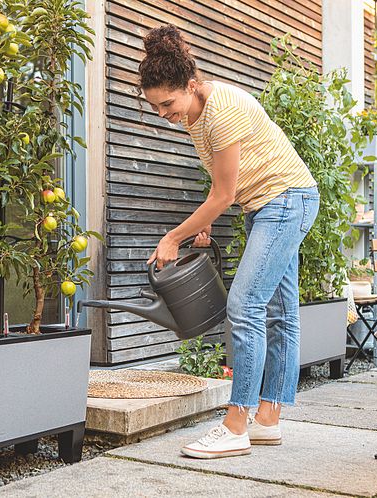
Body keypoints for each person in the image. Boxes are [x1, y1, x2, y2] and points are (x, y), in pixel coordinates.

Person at [140, 25, 320, 459]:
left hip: (286, 200)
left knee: (244, 305)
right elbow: (224, 185)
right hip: (267, 205)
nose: (164, 114)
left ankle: (236, 423)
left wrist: (174, 236)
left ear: (190, 84)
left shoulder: (223, 109)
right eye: (156, 107)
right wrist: (206, 223)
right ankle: (267, 422)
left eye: (168, 103)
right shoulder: (195, 114)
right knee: (280, 313)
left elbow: (222, 194)